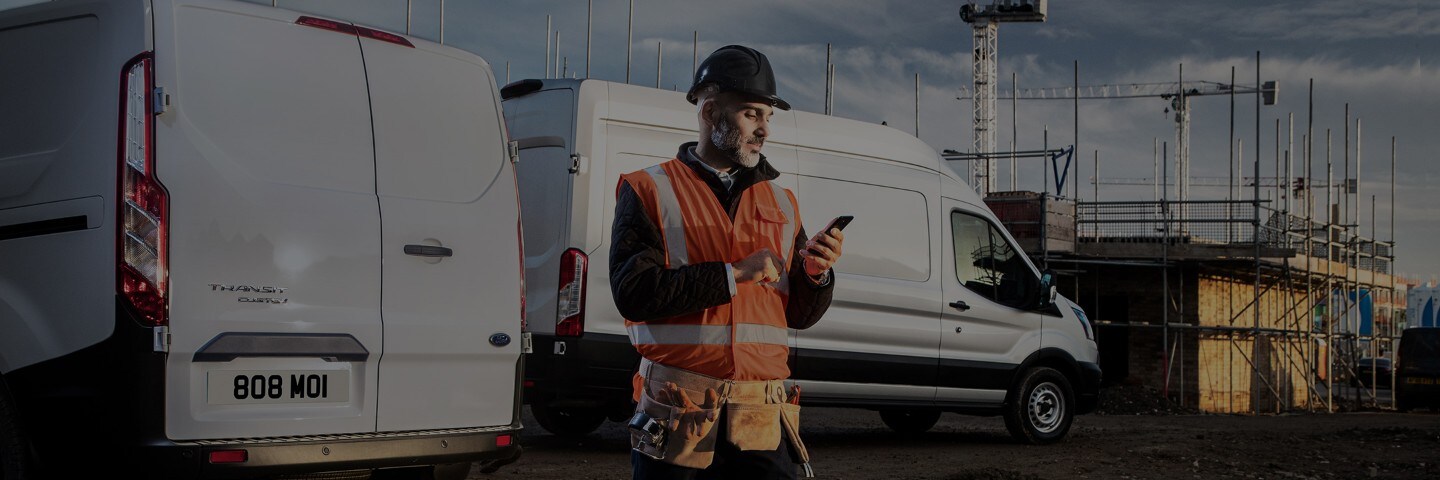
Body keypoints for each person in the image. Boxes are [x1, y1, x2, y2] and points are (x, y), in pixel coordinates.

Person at [609, 44, 845, 480]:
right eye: (752, 114)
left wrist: (816, 275)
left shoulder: (782, 201)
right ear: (710, 113)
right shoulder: (646, 189)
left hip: (761, 416)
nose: (765, 130)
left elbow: (797, 315)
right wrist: (733, 274)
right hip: (678, 413)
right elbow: (632, 294)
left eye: (768, 117)